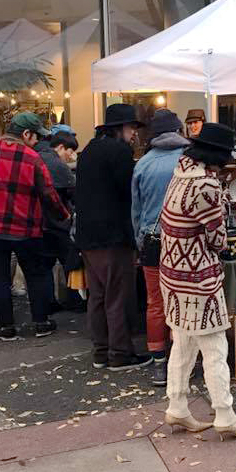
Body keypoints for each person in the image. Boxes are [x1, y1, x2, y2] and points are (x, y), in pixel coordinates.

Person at [160, 123, 236, 438]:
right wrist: (225, 202)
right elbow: (218, 240)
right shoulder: (207, 186)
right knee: (215, 348)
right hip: (199, 279)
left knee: (183, 341)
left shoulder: (179, 175)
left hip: (172, 276)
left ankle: (177, 407)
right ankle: (225, 415)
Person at [0, 112, 68, 340]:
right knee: (35, 274)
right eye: (36, 137)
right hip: (24, 228)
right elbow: (49, 194)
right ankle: (41, 323)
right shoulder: (31, 158)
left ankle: (5, 327)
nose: (37, 142)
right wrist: (65, 216)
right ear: (26, 134)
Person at [76, 103, 151, 372]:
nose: (133, 134)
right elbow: (129, 194)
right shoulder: (119, 152)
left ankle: (100, 350)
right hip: (113, 235)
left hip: (87, 235)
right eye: (131, 128)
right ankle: (120, 353)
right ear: (120, 128)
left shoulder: (88, 150)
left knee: (97, 295)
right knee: (118, 295)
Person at [131, 109, 190, 387]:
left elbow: (136, 210)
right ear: (179, 131)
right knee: (184, 300)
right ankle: (183, 360)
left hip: (152, 241)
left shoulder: (143, 163)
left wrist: (138, 242)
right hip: (184, 242)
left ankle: (158, 364)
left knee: (156, 303)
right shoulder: (189, 161)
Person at [36, 131, 82, 312]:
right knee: (69, 262)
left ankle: (48, 302)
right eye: (70, 151)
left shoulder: (37, 157)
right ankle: (73, 300)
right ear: (60, 147)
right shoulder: (57, 165)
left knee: (44, 266)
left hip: (39, 223)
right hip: (58, 222)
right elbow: (73, 192)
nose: (70, 156)